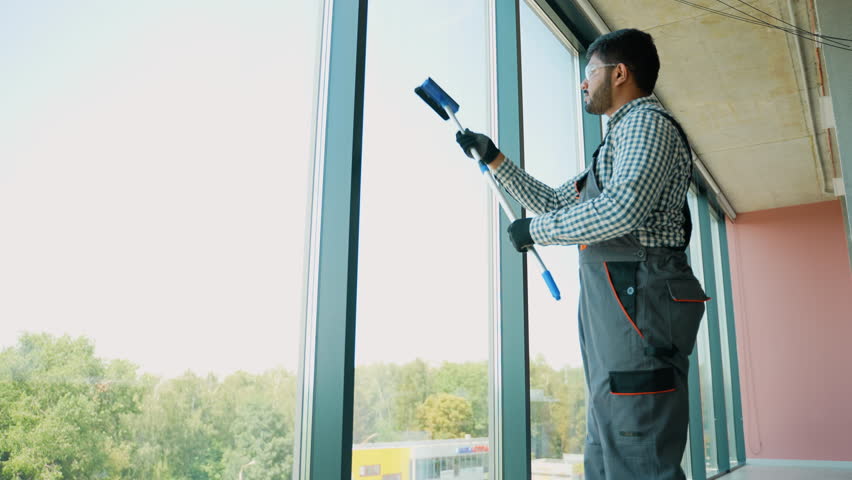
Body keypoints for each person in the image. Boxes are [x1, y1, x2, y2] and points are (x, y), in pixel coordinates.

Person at [456, 28, 710, 480]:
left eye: (589, 72)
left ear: (620, 73)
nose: (582, 83)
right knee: (610, 439)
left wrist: (536, 232)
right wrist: (494, 158)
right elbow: (556, 202)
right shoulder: (618, 140)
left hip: (640, 300)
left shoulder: (646, 125)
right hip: (618, 302)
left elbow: (621, 210)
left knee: (637, 444)